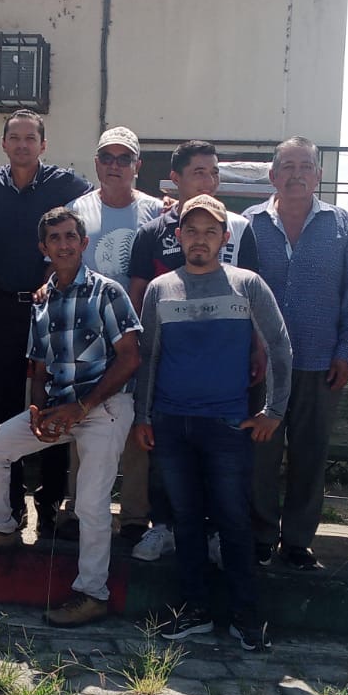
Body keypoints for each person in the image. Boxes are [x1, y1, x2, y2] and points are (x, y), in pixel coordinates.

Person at [0, 207, 141, 629]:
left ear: (84, 242)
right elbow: (38, 368)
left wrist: (84, 406)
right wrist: (37, 413)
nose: (63, 244)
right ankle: (1, 528)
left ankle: (92, 593)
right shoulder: (42, 301)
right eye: (54, 238)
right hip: (60, 408)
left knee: (90, 504)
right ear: (44, 247)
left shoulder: (108, 292)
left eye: (70, 236)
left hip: (106, 408)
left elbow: (130, 358)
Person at [132, 195, 292, 651]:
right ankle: (195, 610)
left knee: (233, 520)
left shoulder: (247, 284)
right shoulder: (161, 289)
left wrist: (274, 411)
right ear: (178, 237)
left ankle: (245, 616)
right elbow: (149, 356)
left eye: (209, 232)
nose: (199, 240)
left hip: (226, 425)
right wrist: (144, 416)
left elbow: (279, 347)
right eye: (191, 231)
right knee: (185, 520)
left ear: (225, 238)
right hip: (171, 423)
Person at [126, 140, 259, 562]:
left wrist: (257, 348)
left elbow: (255, 295)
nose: (209, 180)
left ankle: (217, 532)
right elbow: (138, 295)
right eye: (199, 171)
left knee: (222, 455)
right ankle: (163, 527)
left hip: (224, 366)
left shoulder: (240, 228)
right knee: (166, 449)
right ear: (175, 179)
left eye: (214, 172)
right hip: (169, 362)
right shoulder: (152, 232)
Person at [243, 135, 348, 570]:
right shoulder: (250, 223)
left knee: (310, 454)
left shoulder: (341, 225)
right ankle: (260, 536)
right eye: (288, 167)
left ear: (318, 175)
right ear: (273, 175)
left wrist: (345, 351)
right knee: (260, 454)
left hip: (319, 362)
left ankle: (297, 542)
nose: (296, 175)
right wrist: (250, 347)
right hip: (263, 364)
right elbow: (236, 292)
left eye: (305, 167)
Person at [0, 110, 93, 534]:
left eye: (31, 138)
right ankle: (10, 506)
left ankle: (50, 504)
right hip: (4, 309)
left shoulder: (68, 185)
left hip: (54, 308)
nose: (22, 145)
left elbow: (109, 199)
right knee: (4, 406)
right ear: (3, 144)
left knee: (54, 403)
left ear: (43, 145)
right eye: (15, 138)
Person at [57, 127, 163, 541]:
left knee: (137, 423)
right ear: (96, 163)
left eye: (124, 158)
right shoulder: (76, 209)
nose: (115, 165)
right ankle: (77, 511)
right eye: (107, 157)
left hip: (140, 336)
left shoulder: (157, 211)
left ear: (138, 165)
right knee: (81, 419)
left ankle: (134, 517)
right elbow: (62, 262)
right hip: (88, 337)